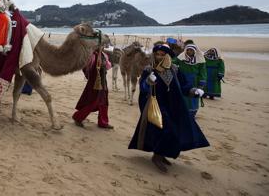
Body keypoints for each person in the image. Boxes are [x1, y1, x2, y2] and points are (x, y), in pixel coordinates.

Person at [128, 44, 209, 173]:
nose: (159, 57)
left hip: (173, 105)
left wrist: (194, 91)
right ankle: (157, 157)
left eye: (162, 55)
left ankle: (162, 154)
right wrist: (148, 82)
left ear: (167, 56)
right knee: (165, 129)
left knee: (174, 130)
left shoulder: (174, 70)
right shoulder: (149, 70)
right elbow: (143, 88)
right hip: (156, 106)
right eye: (157, 54)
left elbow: (183, 85)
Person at [72, 46, 114, 129]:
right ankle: (78, 117)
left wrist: (104, 64)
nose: (103, 46)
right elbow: (85, 68)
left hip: (102, 82)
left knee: (104, 102)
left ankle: (103, 122)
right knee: (93, 101)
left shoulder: (103, 55)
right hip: (94, 83)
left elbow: (108, 67)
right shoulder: (92, 55)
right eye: (101, 45)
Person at [174, 43, 207, 117]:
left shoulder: (200, 61)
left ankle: (192, 112)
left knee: (193, 95)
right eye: (188, 50)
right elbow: (173, 63)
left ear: (195, 51)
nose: (189, 52)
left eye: (191, 50)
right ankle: (182, 112)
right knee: (183, 96)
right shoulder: (181, 58)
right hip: (182, 80)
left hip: (194, 81)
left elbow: (203, 72)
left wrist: (201, 83)